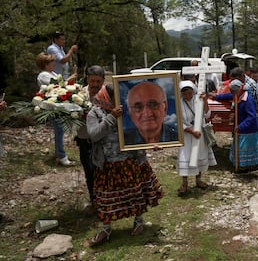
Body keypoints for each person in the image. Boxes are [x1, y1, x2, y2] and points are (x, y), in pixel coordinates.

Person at [86, 84, 163, 246]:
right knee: (106, 199)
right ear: (107, 97)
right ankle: (106, 228)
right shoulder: (94, 112)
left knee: (135, 193)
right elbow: (94, 135)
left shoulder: (127, 110)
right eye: (115, 98)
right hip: (108, 164)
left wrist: (152, 143)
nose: (118, 101)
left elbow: (140, 131)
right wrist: (112, 118)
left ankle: (139, 220)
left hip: (130, 161)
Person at [35, 52, 77, 166]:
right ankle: (62, 156)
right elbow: (56, 85)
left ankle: (59, 153)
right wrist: (70, 78)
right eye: (51, 62)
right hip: (53, 106)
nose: (54, 63)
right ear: (45, 64)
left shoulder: (51, 72)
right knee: (59, 131)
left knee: (60, 131)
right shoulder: (43, 75)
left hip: (57, 105)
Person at [177, 80, 217, 195]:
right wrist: (190, 131)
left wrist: (205, 101)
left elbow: (207, 115)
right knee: (185, 157)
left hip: (199, 134)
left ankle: (198, 180)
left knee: (199, 155)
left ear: (193, 91)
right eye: (184, 94)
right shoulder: (178, 103)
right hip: (186, 135)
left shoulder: (198, 100)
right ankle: (184, 183)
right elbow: (178, 121)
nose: (187, 96)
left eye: (189, 93)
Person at [75, 65, 105, 211]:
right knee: (90, 172)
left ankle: (107, 202)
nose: (95, 85)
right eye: (92, 81)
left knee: (105, 172)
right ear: (87, 79)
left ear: (103, 81)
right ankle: (95, 202)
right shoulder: (77, 94)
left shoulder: (109, 94)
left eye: (98, 82)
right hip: (85, 141)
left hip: (104, 142)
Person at [227, 79, 258, 172]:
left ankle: (249, 167)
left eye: (233, 92)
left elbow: (252, 117)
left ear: (238, 90)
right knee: (240, 148)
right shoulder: (238, 95)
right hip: (241, 129)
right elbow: (228, 95)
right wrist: (217, 96)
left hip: (248, 130)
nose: (232, 94)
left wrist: (240, 127)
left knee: (247, 148)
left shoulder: (248, 100)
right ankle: (241, 166)